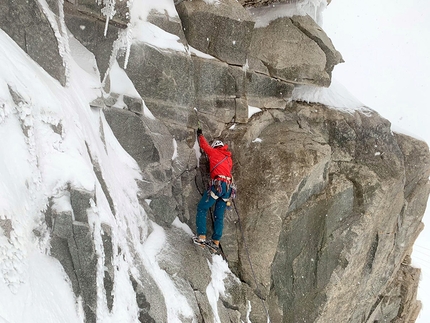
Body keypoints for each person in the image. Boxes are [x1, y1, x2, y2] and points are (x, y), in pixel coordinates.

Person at [193, 127, 233, 253]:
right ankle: (215, 242)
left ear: (215, 147)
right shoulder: (228, 158)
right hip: (227, 188)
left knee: (202, 208)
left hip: (218, 185)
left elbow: (205, 146)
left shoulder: (215, 152)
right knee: (219, 216)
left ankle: (202, 237)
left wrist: (200, 135)